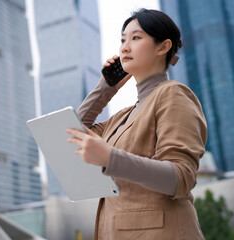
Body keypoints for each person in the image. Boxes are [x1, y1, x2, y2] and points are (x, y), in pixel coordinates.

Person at [66, 8, 207, 240]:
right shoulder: (124, 116)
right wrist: (106, 87)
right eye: (122, 40)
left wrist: (109, 158)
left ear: (162, 47)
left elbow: (181, 176)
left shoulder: (173, 94)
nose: (124, 47)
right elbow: (75, 130)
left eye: (136, 38)